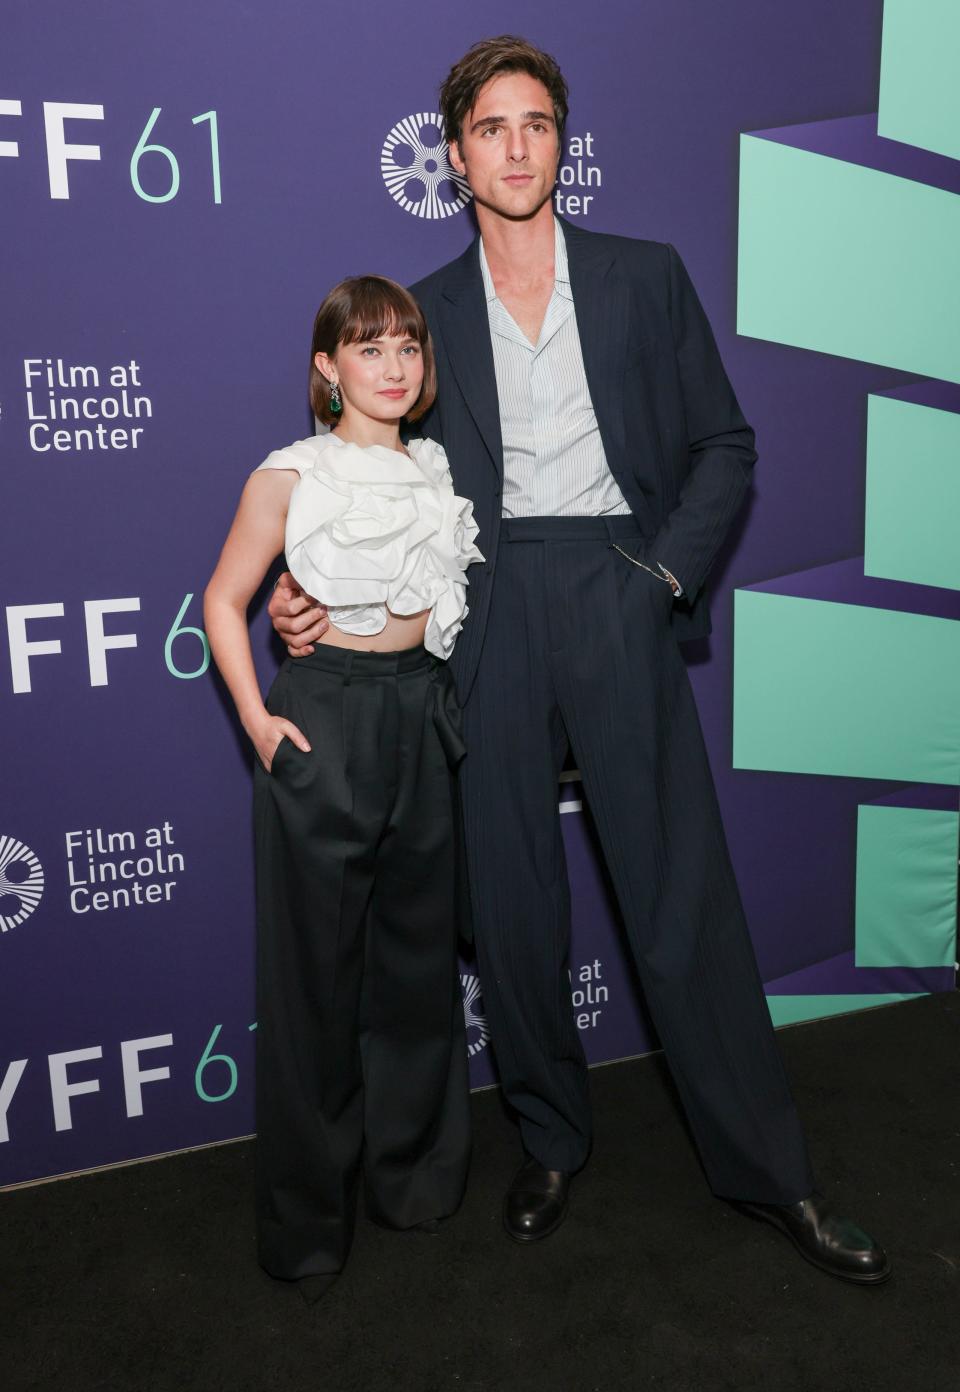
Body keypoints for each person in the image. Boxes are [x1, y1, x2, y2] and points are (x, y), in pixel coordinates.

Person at [269, 38, 889, 1284]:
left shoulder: (645, 278)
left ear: (561, 142)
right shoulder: (423, 314)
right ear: (454, 156)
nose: (514, 145)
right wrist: (309, 593)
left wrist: (661, 575)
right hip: (488, 607)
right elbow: (361, 468)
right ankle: (549, 1138)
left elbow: (726, 441)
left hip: (616, 583)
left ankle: (775, 1175)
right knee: (510, 901)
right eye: (489, 127)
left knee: (679, 893)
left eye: (535, 124)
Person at [204, 275, 481, 1301]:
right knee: (316, 986)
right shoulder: (291, 474)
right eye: (369, 348)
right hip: (326, 716)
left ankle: (414, 1182)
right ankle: (308, 1222)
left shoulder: (440, 468)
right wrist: (259, 723)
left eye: (407, 345)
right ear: (328, 367)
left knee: (415, 970)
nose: (395, 365)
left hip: (423, 712)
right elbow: (224, 599)